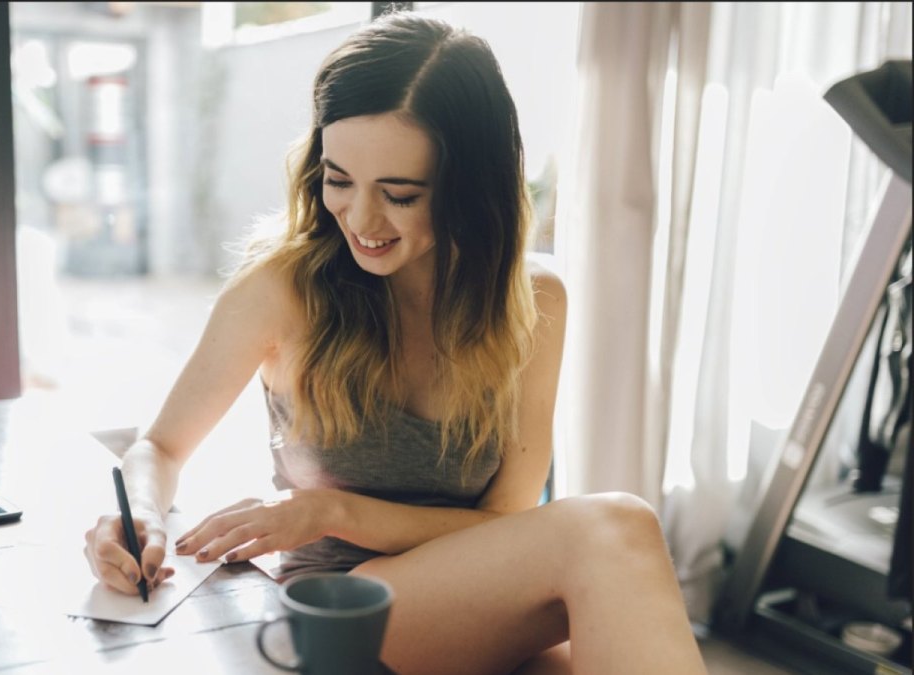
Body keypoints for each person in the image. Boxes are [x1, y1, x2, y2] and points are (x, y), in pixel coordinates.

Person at [84, 11, 707, 675]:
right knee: (613, 530)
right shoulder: (284, 288)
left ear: (472, 188)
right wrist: (139, 513)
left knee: (615, 580)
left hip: (470, 602)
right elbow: (160, 446)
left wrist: (332, 509)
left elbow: (506, 520)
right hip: (339, 613)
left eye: (400, 194)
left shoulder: (533, 299)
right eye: (338, 179)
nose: (360, 218)